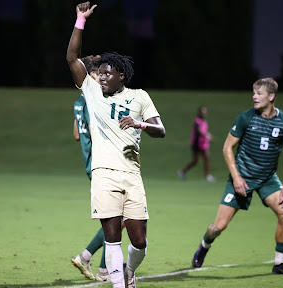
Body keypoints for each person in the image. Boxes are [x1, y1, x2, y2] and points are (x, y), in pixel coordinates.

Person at [66, 2, 166, 287]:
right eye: (100, 73)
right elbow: (72, 57)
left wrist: (140, 124)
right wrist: (80, 21)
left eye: (108, 73)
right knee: (112, 239)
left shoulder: (139, 97)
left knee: (140, 241)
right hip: (103, 174)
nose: (102, 77)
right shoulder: (92, 92)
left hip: (132, 175)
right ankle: (119, 284)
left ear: (122, 75)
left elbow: (161, 130)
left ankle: (130, 270)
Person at [191, 78, 283, 276]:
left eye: (259, 94)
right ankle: (204, 245)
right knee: (218, 227)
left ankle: (279, 264)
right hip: (242, 177)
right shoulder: (246, 118)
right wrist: (237, 177)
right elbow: (227, 148)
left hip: (267, 179)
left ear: (271, 96)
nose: (254, 97)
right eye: (253, 93)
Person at [70, 55, 110, 282]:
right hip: (101, 164)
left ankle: (95, 263)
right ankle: (94, 263)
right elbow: (94, 132)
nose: (100, 79)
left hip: (90, 164)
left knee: (116, 217)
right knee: (116, 218)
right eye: (96, 75)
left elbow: (77, 134)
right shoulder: (90, 100)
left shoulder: (78, 102)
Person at [177, 106, 215, 182]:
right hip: (196, 143)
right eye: (202, 112)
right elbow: (199, 131)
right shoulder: (197, 121)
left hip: (204, 143)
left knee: (207, 158)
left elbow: (205, 131)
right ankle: (183, 172)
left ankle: (207, 176)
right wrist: (208, 136)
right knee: (195, 161)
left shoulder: (205, 122)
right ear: (199, 113)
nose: (204, 114)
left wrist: (208, 137)